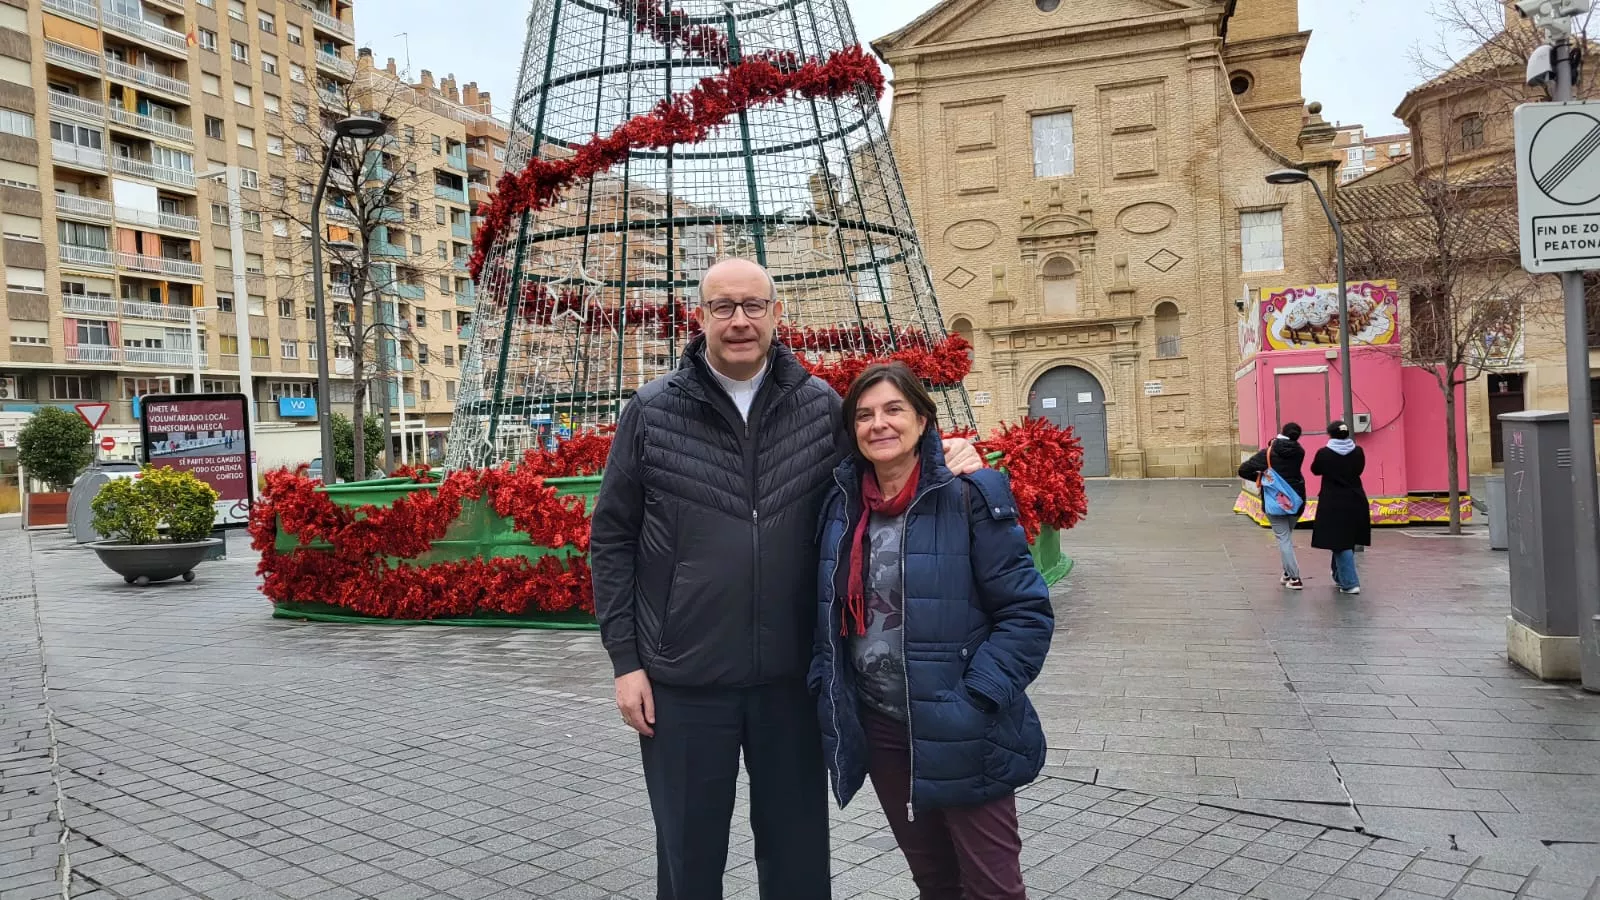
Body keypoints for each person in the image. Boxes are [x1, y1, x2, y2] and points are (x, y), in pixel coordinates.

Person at [588, 258, 984, 900]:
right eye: (723, 307)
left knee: (797, 856)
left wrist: (948, 456)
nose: (739, 320)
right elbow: (612, 539)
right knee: (688, 855)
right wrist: (626, 662)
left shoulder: (819, 405)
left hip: (794, 679)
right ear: (700, 317)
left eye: (753, 306)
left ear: (777, 314)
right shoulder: (652, 410)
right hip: (682, 681)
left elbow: (880, 476)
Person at [810, 362, 1054, 900]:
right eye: (864, 415)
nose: (879, 424)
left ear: (923, 420)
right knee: (935, 882)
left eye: (894, 410)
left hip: (964, 725)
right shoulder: (841, 506)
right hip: (883, 728)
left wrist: (978, 697)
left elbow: (1027, 613)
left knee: (994, 889)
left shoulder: (970, 494)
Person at [1237, 423, 1308, 589]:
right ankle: (1287, 572)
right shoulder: (1299, 451)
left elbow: (1244, 470)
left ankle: (1295, 578)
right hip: (1296, 500)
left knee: (1283, 539)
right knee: (1286, 537)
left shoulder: (1269, 452)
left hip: (1274, 501)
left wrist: (1262, 478)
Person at [1311, 420, 1370, 594]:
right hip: (1356, 499)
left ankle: (1350, 583)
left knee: (1340, 542)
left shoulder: (1324, 453)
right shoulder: (1358, 451)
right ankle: (1339, 576)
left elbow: (1315, 470)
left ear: (1330, 434)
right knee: (1347, 539)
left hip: (1333, 502)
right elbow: (1359, 470)